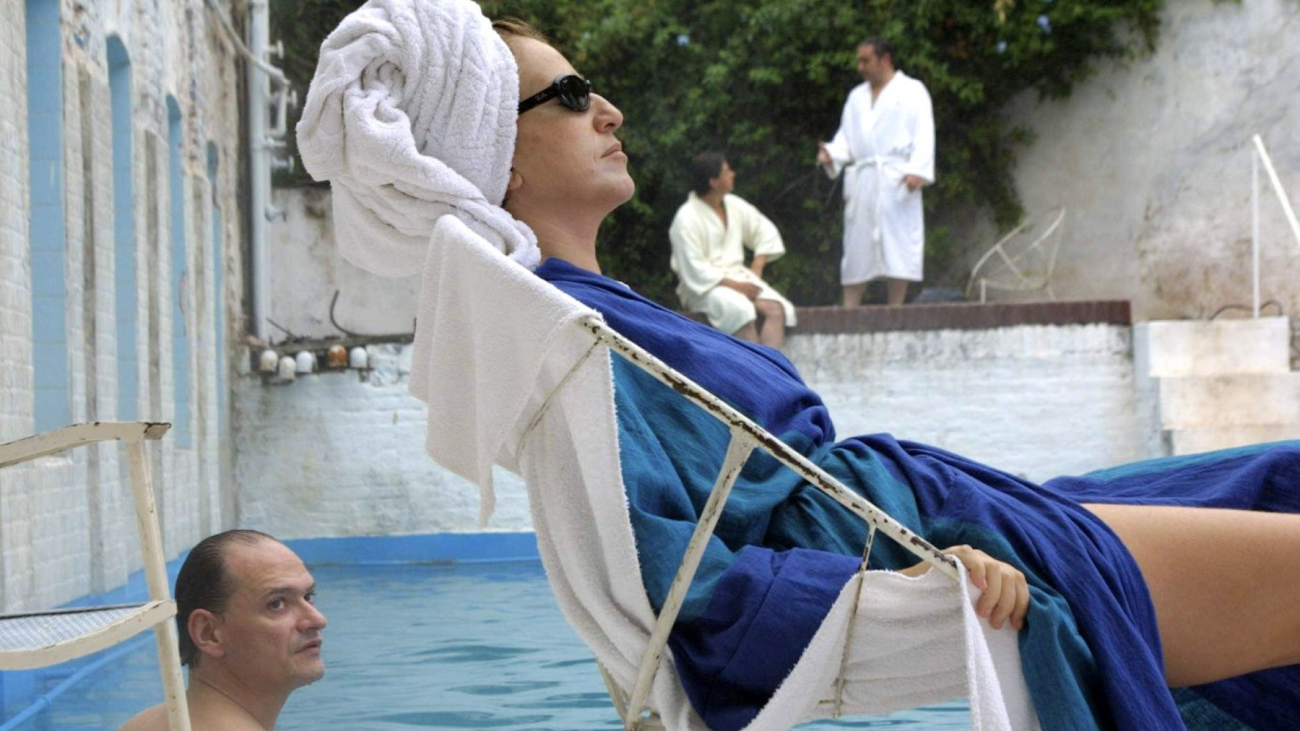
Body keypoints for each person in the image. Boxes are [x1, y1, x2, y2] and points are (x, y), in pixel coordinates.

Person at [296, 4, 1300, 730]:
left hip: (933, 502)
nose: (609, 111)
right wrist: (916, 571)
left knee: (1276, 477)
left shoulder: (600, 320)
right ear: (497, 159)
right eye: (568, 95)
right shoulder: (577, 341)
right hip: (911, 531)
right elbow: (697, 592)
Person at [119, 530, 327, 731]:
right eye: (277, 604)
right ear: (208, 633)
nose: (318, 619)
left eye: (308, 597)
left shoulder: (142, 724)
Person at [817, 37, 934, 308]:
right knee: (856, 248)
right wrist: (832, 154)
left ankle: (896, 308)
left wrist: (918, 169)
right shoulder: (856, 98)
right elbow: (846, 139)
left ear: (885, 59)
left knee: (898, 245)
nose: (860, 67)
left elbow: (924, 133)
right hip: (864, 181)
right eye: (859, 61)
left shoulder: (912, 90)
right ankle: (849, 310)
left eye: (865, 60)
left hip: (898, 178)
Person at [668, 152, 797, 348]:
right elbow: (693, 269)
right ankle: (751, 367)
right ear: (713, 181)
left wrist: (757, 266)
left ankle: (770, 366)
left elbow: (764, 231)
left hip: (739, 277)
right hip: (704, 288)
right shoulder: (686, 218)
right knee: (741, 312)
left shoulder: (734, 205)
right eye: (727, 171)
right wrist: (737, 286)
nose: (732, 174)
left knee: (777, 310)